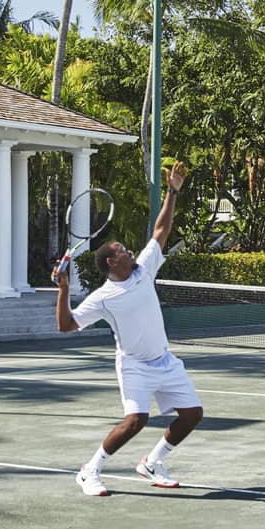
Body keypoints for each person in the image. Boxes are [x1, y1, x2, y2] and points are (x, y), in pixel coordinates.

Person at [54, 161, 202, 497]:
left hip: (164, 359)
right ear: (111, 261)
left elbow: (161, 231)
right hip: (134, 364)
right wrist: (63, 291)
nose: (129, 250)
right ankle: (90, 470)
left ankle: (152, 462)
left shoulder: (144, 269)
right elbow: (66, 325)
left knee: (192, 414)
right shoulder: (103, 297)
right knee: (136, 420)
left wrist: (172, 191)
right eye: (122, 250)